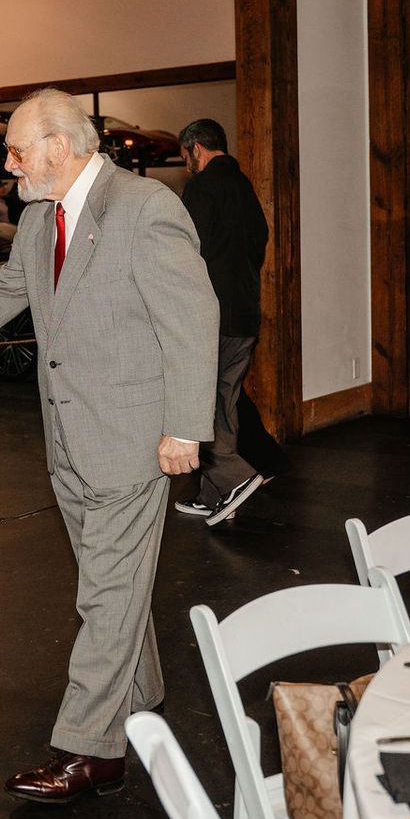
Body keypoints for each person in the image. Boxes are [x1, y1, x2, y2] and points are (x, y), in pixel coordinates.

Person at [0, 89, 215, 804]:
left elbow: (194, 317)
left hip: (134, 436)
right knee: (115, 582)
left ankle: (88, 747)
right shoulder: (38, 218)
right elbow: (2, 295)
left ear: (59, 145)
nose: (9, 163)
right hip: (66, 438)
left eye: (17, 149)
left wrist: (186, 426)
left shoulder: (144, 208)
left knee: (103, 590)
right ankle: (139, 698)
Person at [170, 118, 269, 526]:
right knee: (223, 405)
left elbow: (187, 250)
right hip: (245, 312)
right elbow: (260, 240)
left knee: (197, 403)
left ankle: (235, 478)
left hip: (210, 316)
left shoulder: (201, 187)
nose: (187, 165)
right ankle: (214, 496)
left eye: (185, 157)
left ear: (197, 148)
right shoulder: (244, 186)